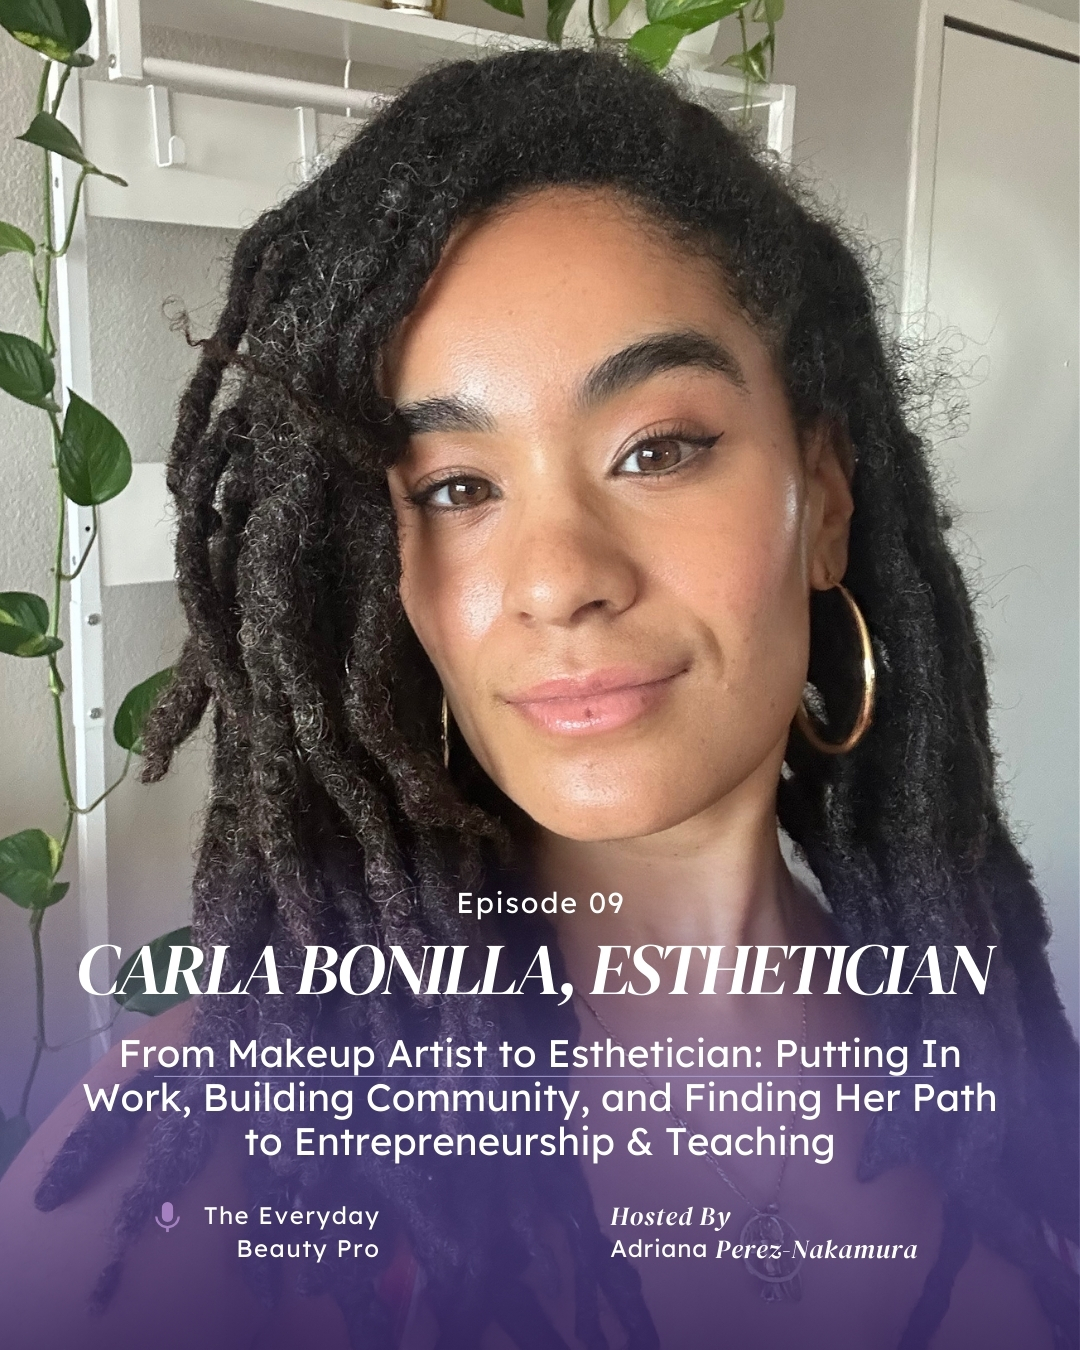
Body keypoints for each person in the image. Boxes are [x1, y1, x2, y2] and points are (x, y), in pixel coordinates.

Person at [0, 45, 1076, 1350]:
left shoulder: (993, 1058)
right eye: (456, 486)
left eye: (658, 449)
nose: (560, 578)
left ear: (826, 499)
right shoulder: (201, 1182)